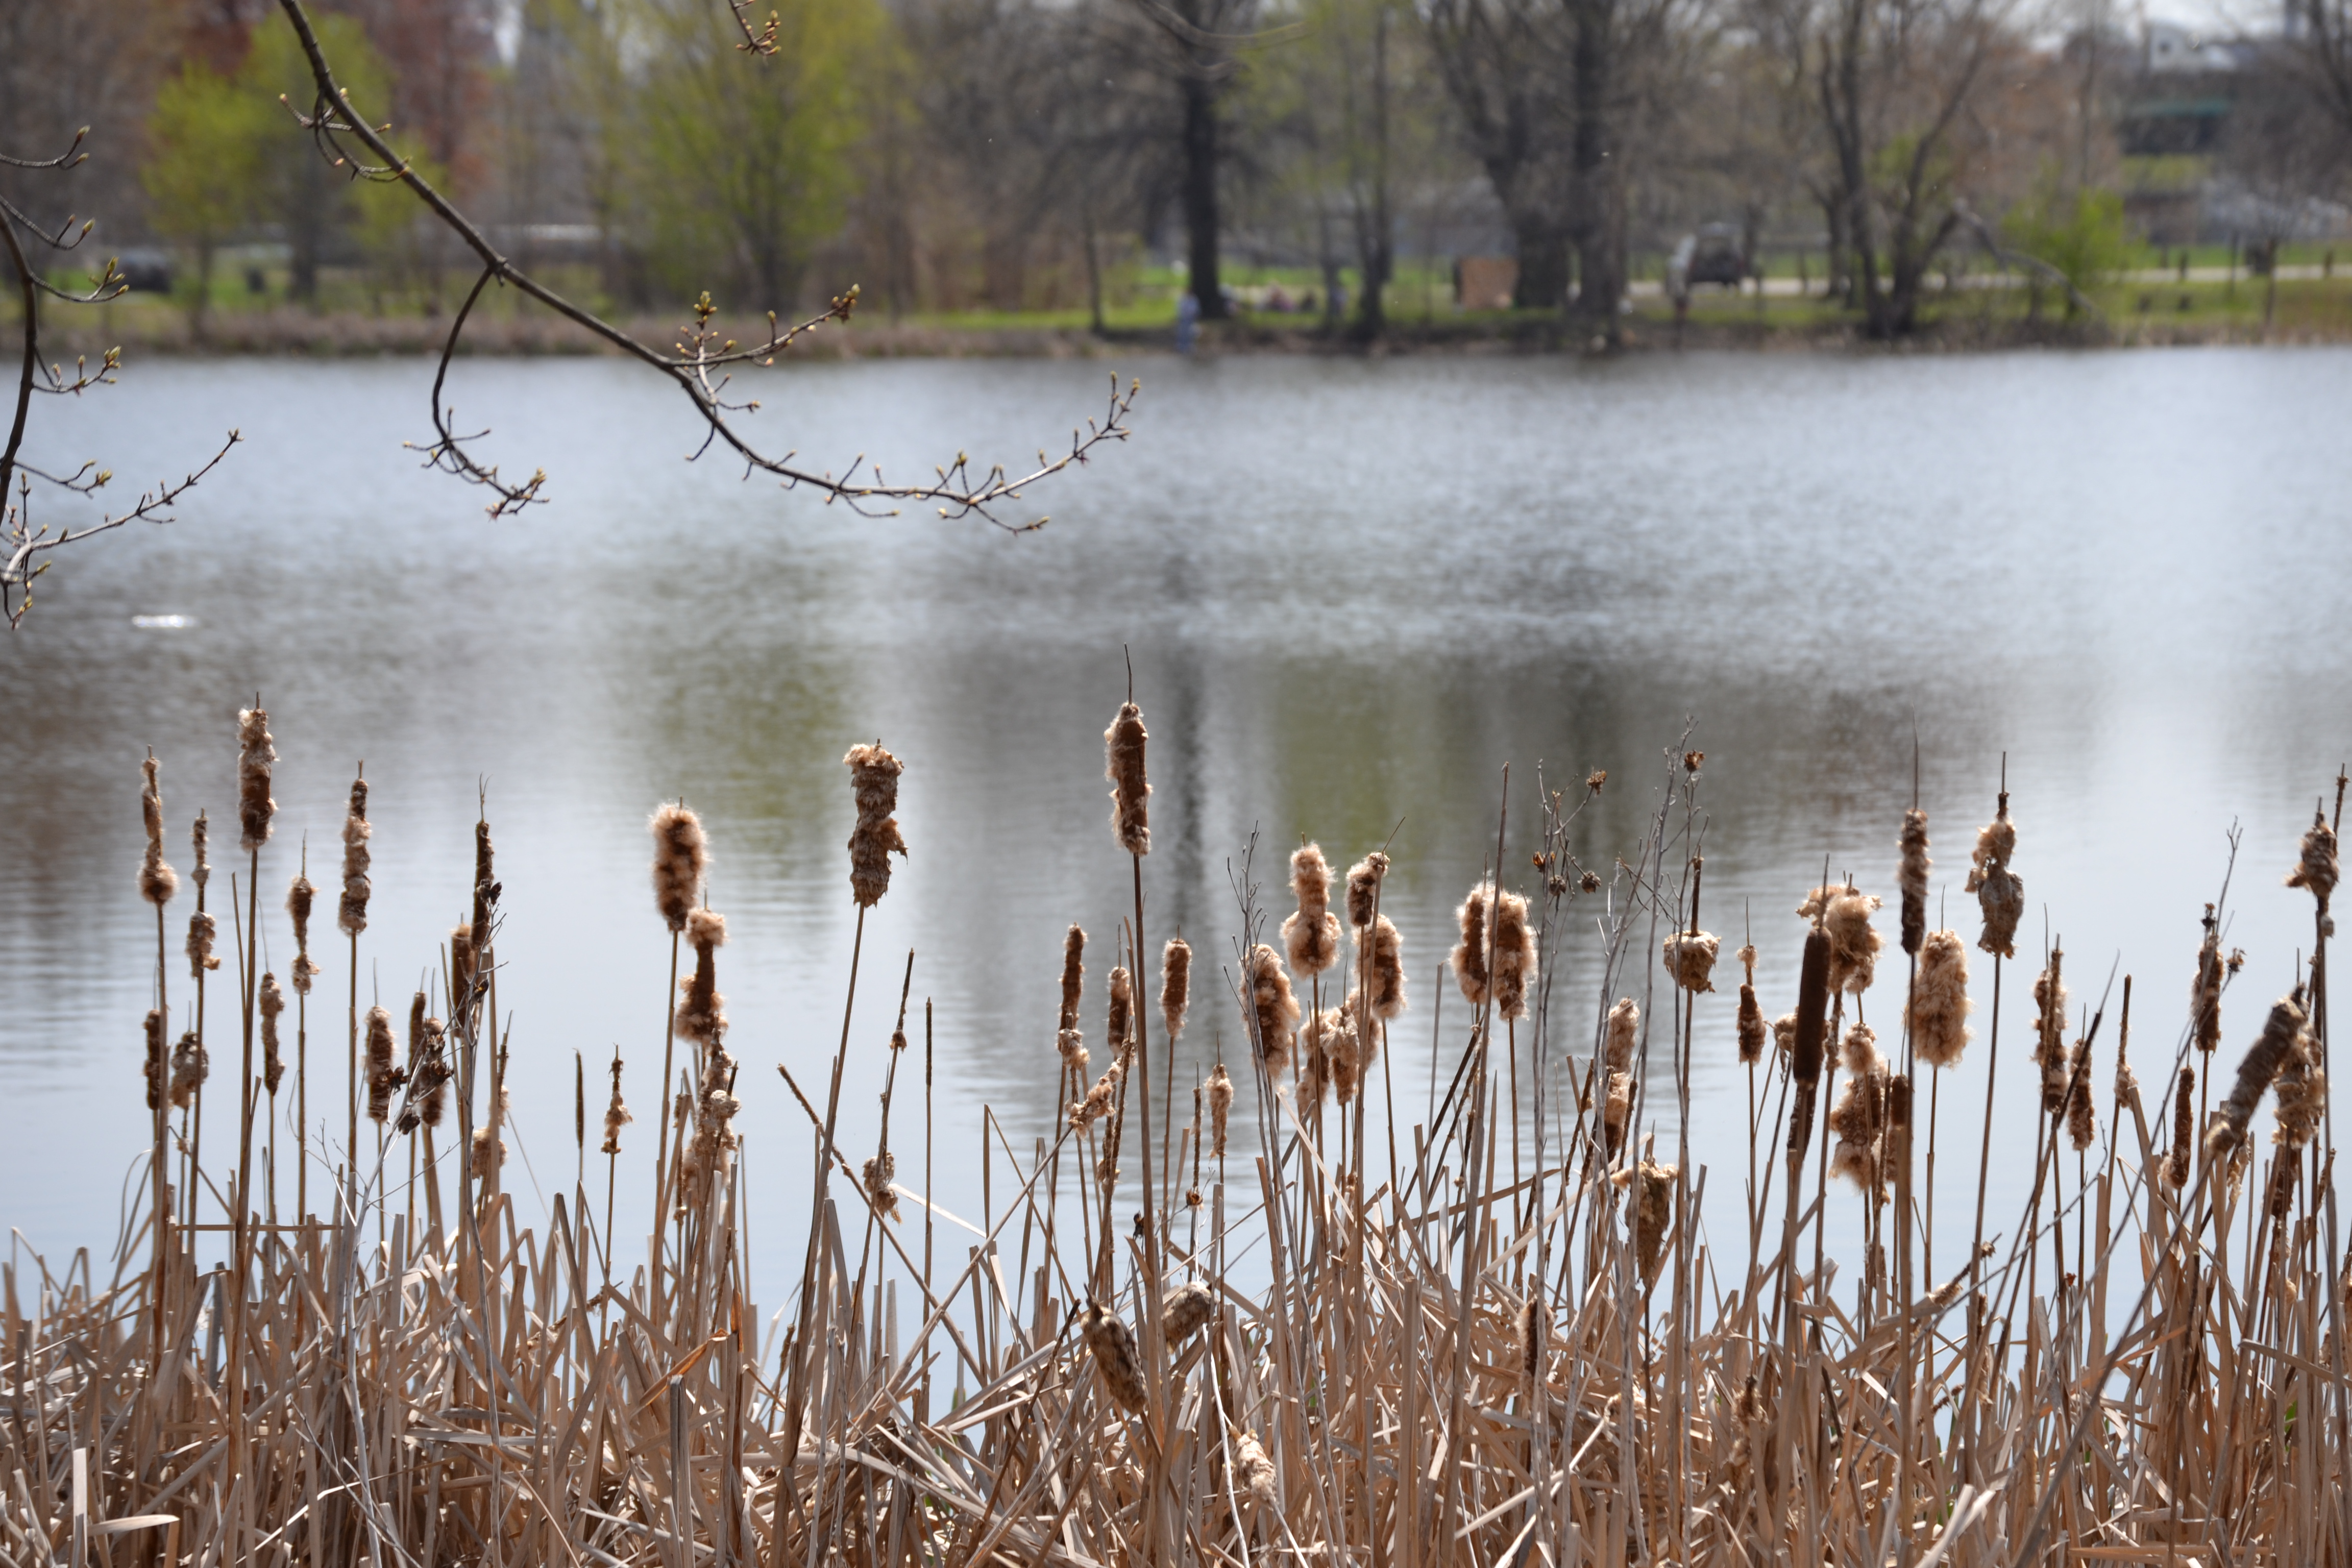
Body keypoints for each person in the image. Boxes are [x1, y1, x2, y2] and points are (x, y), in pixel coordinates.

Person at [1176, 289, 1200, 354]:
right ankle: (1182, 346)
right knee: (1183, 333)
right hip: (1184, 319)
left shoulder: (1194, 300)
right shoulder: (1183, 300)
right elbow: (1181, 309)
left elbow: (1196, 309)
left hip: (1191, 319)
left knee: (1192, 333)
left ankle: (1190, 346)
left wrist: (1194, 315)